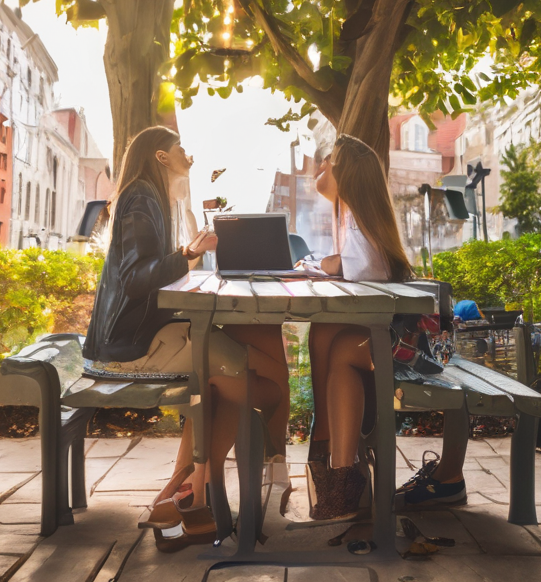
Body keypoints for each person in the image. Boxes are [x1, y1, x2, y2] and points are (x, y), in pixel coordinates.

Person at [83, 126, 288, 551]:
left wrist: (186, 253)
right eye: (181, 149)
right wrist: (189, 255)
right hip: (130, 350)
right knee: (259, 388)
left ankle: (184, 496)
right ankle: (194, 493)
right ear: (160, 157)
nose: (189, 156)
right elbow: (137, 279)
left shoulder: (152, 197)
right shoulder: (142, 197)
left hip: (135, 337)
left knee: (238, 372)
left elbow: (149, 271)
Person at [305, 134, 466, 520]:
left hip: (406, 350)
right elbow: (353, 263)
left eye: (330, 161)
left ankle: (343, 471)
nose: (322, 167)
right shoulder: (353, 217)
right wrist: (329, 262)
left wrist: (326, 265)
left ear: (348, 175)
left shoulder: (361, 222)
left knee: (341, 348)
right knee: (325, 333)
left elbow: (364, 268)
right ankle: (335, 458)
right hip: (391, 341)